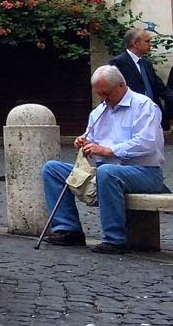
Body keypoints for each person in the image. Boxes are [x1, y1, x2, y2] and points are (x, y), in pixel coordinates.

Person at [40, 65, 168, 254]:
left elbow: (147, 143)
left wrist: (109, 150)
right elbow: (93, 139)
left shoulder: (144, 106)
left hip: (145, 172)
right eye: (99, 94)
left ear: (121, 85)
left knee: (107, 172)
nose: (103, 99)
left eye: (107, 94)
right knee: (52, 169)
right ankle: (67, 229)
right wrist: (84, 141)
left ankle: (115, 239)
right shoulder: (99, 112)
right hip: (105, 172)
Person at [109, 27, 166, 124]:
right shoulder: (118, 62)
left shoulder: (146, 64)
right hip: (131, 117)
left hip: (152, 115)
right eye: (147, 41)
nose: (150, 45)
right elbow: (111, 91)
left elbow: (160, 88)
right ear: (135, 43)